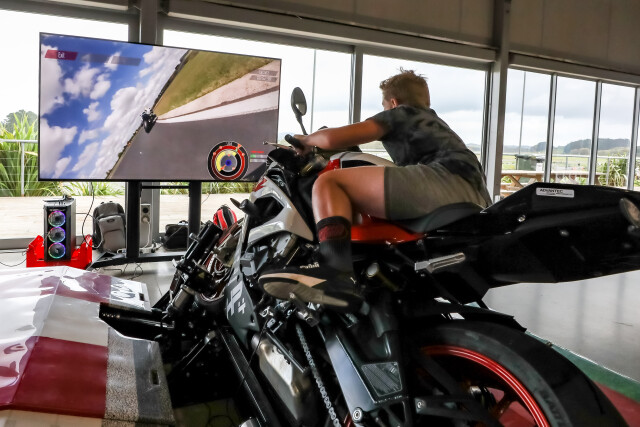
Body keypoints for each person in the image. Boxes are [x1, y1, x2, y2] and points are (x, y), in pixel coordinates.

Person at [259, 69, 492, 310]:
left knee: (330, 183)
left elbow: (332, 139)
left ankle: (336, 273)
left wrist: (306, 140)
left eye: (384, 105)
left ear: (393, 102)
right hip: (475, 198)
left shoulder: (401, 114)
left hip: (442, 182)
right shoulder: (435, 124)